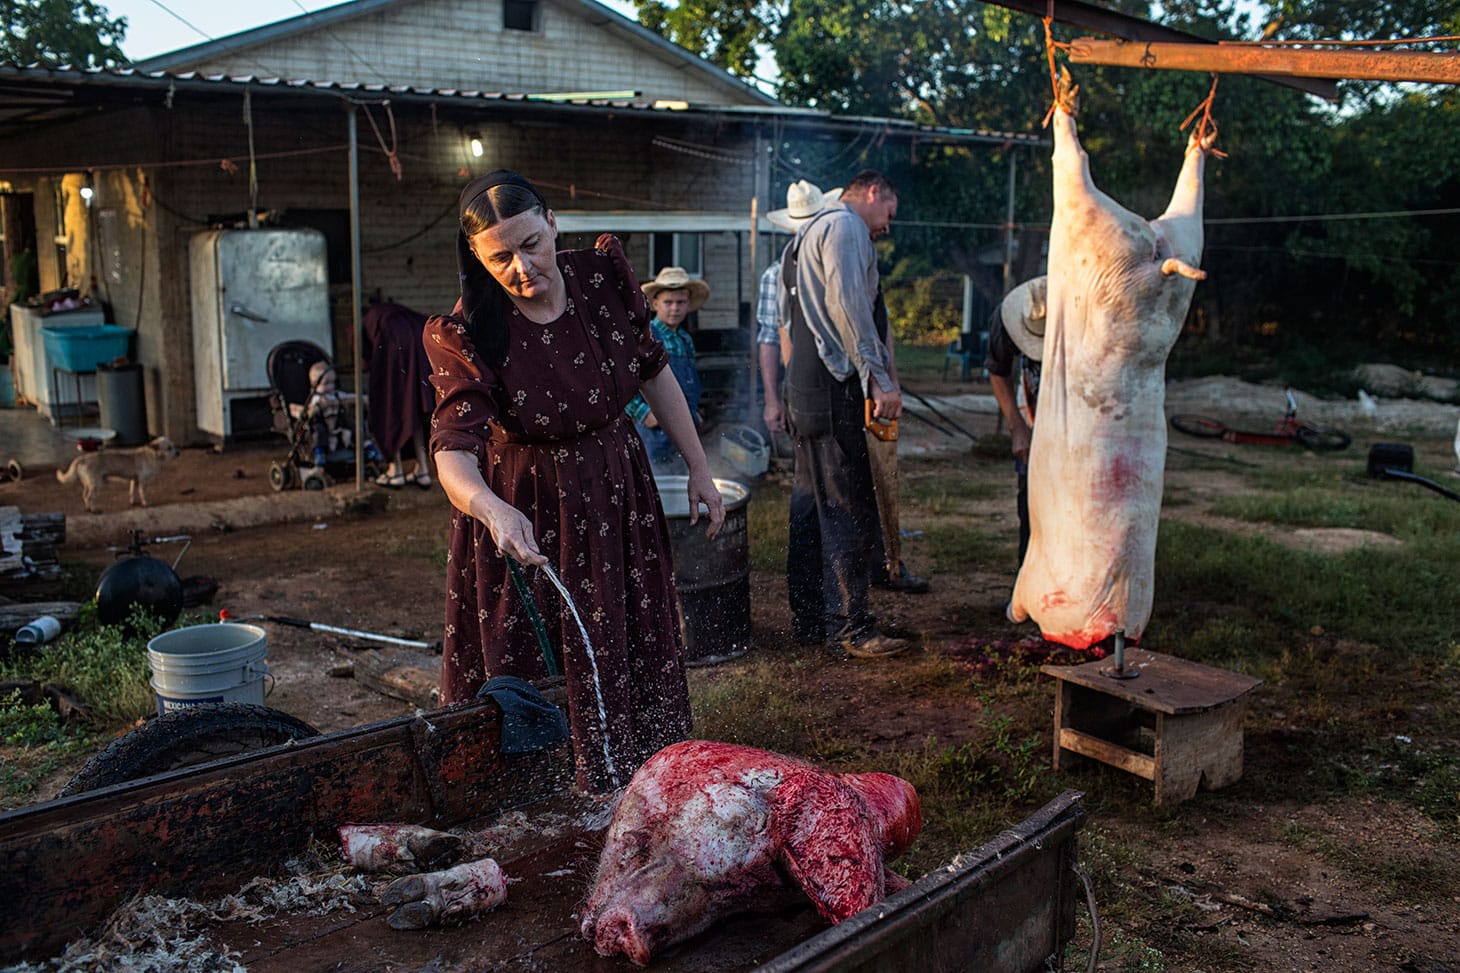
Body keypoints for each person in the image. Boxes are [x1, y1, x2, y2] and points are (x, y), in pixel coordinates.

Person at [424, 170, 724, 796]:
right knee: (538, 646)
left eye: (530, 244)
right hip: (525, 502)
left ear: (552, 222)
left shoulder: (601, 278)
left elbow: (652, 371)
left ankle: (643, 772)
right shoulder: (468, 329)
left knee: (627, 624)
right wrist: (490, 509)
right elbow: (452, 453)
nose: (522, 266)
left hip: (616, 485)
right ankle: (547, 787)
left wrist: (698, 465)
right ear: (476, 255)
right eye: (499, 257)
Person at [780, 169, 911, 658]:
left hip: (804, 385)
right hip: (831, 386)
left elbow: (790, 320)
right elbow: (848, 305)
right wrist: (877, 378)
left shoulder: (803, 236)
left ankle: (810, 620)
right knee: (844, 505)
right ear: (874, 191)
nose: (887, 227)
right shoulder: (845, 227)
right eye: (889, 214)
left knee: (809, 505)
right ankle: (852, 628)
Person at [985, 275, 1048, 569]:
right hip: (1031, 415)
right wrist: (1017, 428)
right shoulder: (1007, 317)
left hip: (1078, 424)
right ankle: (1028, 584)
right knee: (1030, 506)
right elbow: (997, 371)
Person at [624, 267, 710, 473]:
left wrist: (693, 411)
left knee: (683, 475)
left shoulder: (686, 340)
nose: (674, 308)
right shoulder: (645, 337)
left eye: (680, 303)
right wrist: (643, 413)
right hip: (653, 430)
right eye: (668, 303)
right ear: (655, 304)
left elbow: (689, 381)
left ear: (688, 305)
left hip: (684, 425)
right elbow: (623, 380)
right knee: (654, 477)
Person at [305, 361, 381, 469]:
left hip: (339, 426)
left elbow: (350, 397)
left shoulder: (336, 394)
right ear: (314, 385)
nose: (330, 387)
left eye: (332, 383)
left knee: (354, 426)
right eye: (326, 383)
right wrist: (319, 407)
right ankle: (319, 453)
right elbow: (311, 411)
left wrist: (362, 398)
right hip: (325, 427)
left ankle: (368, 447)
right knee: (318, 430)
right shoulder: (316, 398)